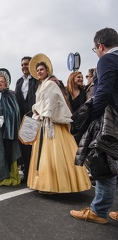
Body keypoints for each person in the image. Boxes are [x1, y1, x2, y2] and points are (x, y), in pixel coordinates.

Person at [70, 27, 118, 224]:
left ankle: (98, 210)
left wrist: (92, 118)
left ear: (100, 45)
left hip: (111, 120)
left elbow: (103, 92)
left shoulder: (107, 59)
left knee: (103, 163)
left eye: (95, 49)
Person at [27, 53, 91, 194]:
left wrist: (39, 111)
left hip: (52, 123)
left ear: (48, 71)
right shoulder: (41, 85)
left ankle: (57, 185)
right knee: (45, 154)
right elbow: (40, 103)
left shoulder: (51, 83)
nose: (39, 72)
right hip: (44, 121)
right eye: (37, 71)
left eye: (41, 70)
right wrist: (37, 111)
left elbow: (51, 103)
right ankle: (44, 183)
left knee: (55, 153)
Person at [14, 56, 39, 182]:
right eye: (22, 64)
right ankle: (26, 172)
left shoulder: (36, 80)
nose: (24, 66)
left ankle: (34, 173)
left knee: (33, 147)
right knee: (23, 146)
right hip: (22, 118)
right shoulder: (18, 82)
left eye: (26, 64)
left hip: (33, 117)